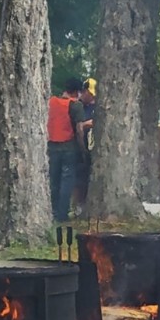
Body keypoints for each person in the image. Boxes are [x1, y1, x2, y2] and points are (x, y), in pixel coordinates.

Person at [47, 78, 87, 222]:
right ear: (77, 92)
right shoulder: (76, 106)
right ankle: (62, 215)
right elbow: (79, 129)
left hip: (51, 146)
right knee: (67, 182)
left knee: (54, 181)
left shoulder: (51, 102)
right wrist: (83, 148)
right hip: (69, 147)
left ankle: (53, 212)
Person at [72, 78, 96, 217]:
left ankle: (85, 205)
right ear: (84, 91)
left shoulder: (94, 106)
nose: (92, 96)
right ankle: (76, 207)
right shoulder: (77, 105)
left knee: (88, 177)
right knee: (78, 179)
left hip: (91, 146)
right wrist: (89, 123)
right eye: (90, 93)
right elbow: (78, 126)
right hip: (78, 146)